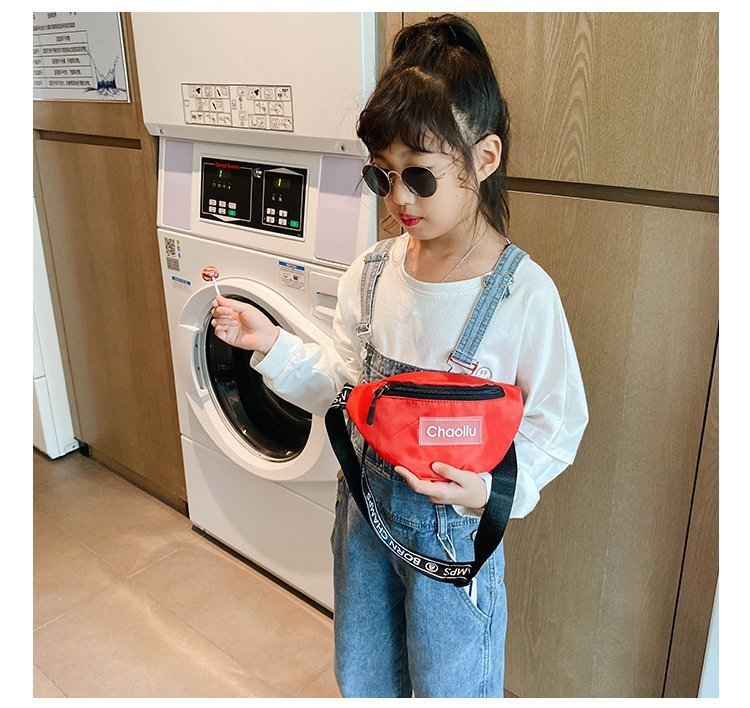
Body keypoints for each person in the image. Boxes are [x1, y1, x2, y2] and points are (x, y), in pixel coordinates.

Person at [210, 13, 588, 698]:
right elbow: (345, 384)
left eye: (420, 176)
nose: (400, 200)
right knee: (365, 674)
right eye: (382, 177)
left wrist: (492, 492)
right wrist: (273, 346)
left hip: (455, 534)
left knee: (454, 685)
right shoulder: (373, 273)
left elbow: (557, 423)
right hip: (365, 520)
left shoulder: (521, 295)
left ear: (484, 159)